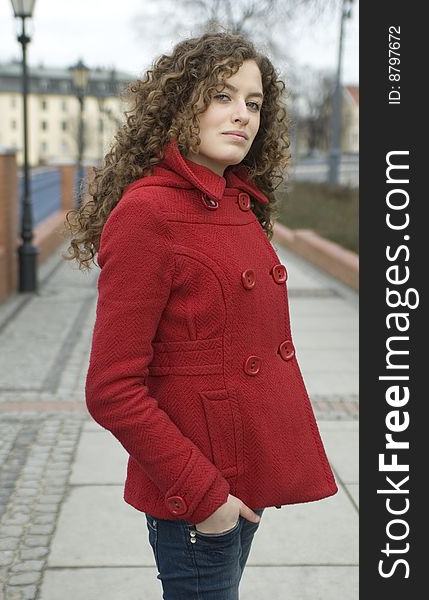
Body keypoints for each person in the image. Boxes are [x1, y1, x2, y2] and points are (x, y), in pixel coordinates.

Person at [63, 30, 338, 600]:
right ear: (181, 104)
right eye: (222, 96)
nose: (242, 115)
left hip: (244, 475)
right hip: (196, 492)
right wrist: (207, 496)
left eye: (253, 103)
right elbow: (112, 388)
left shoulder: (236, 203)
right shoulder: (149, 214)